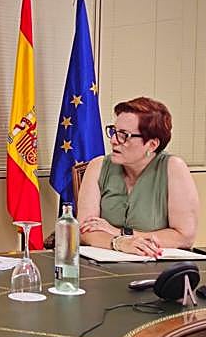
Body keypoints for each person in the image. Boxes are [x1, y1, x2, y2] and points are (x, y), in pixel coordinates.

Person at [77, 96, 199, 257]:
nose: (113, 140)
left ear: (152, 145)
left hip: (156, 264)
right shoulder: (98, 166)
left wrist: (120, 233)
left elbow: (184, 237)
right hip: (102, 264)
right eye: (114, 131)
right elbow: (84, 231)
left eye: (124, 135)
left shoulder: (173, 168)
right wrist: (119, 243)